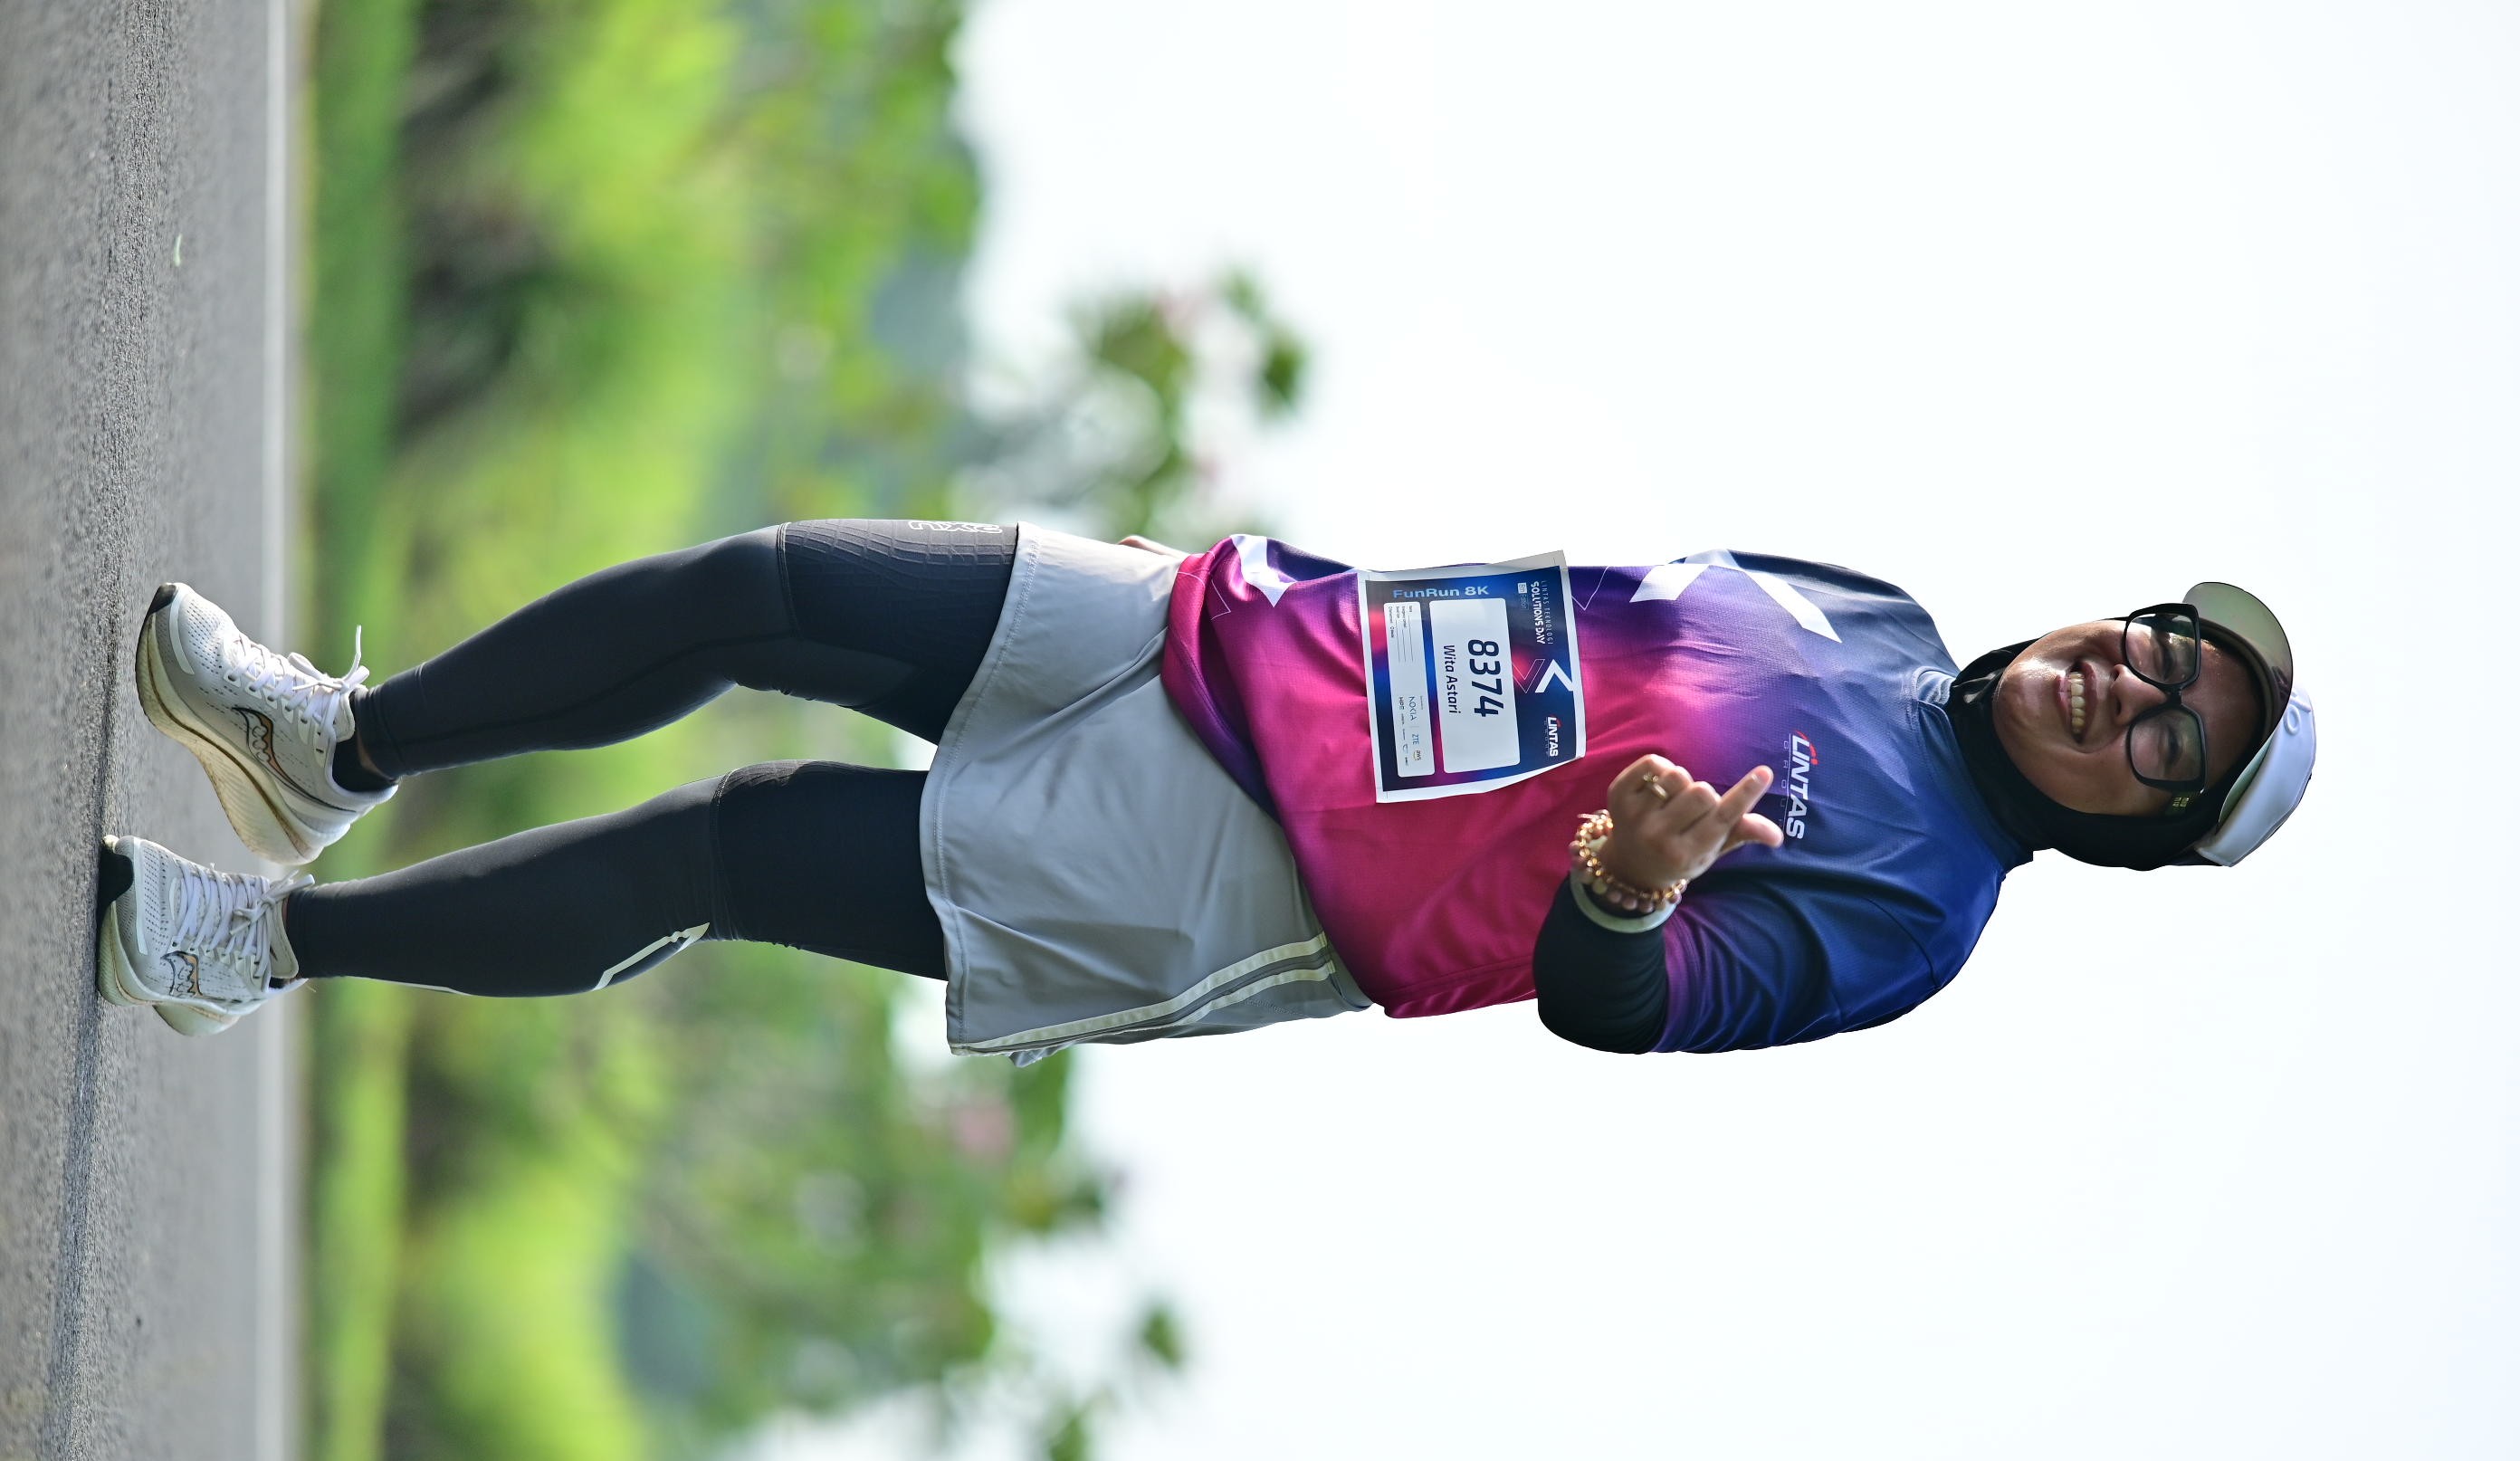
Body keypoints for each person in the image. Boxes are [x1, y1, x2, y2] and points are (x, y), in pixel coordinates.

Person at [94, 519, 2316, 1054]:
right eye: (2163, 650)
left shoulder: (1920, 913)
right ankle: (329, 748)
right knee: (762, 589)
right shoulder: (1885, 615)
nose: (2131, 686)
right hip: (1241, 636)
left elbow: (1623, 1006)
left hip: (1246, 873)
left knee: (741, 846)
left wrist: (1631, 895)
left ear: (2132, 826)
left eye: (2168, 743)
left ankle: (255, 948)